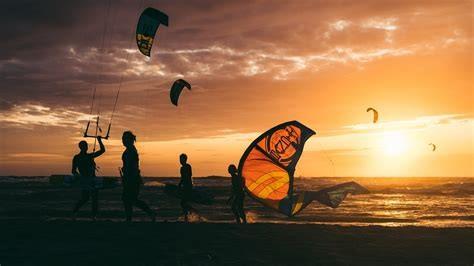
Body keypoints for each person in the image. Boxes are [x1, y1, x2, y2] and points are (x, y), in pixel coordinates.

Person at [121, 131, 156, 222]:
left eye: (124, 138)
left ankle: (149, 213)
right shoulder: (130, 150)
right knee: (128, 199)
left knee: (130, 199)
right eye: (123, 139)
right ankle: (130, 218)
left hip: (132, 178)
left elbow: (133, 166)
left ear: (129, 140)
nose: (123, 140)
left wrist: (127, 174)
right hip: (131, 178)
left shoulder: (131, 151)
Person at [72, 136, 105, 220]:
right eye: (84, 146)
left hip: (92, 180)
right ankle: (75, 212)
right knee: (86, 198)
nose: (85, 147)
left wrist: (99, 141)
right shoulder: (78, 157)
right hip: (85, 180)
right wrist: (79, 176)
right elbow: (73, 170)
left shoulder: (90, 156)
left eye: (86, 146)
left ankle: (93, 216)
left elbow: (102, 151)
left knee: (93, 199)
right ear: (80, 147)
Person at [178, 153, 193, 222]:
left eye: (181, 159)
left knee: (183, 203)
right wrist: (179, 185)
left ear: (185, 160)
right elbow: (182, 178)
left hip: (188, 187)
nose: (180, 161)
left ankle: (189, 215)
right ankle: (187, 216)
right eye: (180, 159)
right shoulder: (182, 168)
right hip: (185, 187)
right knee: (183, 203)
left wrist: (182, 185)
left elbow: (188, 176)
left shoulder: (188, 166)